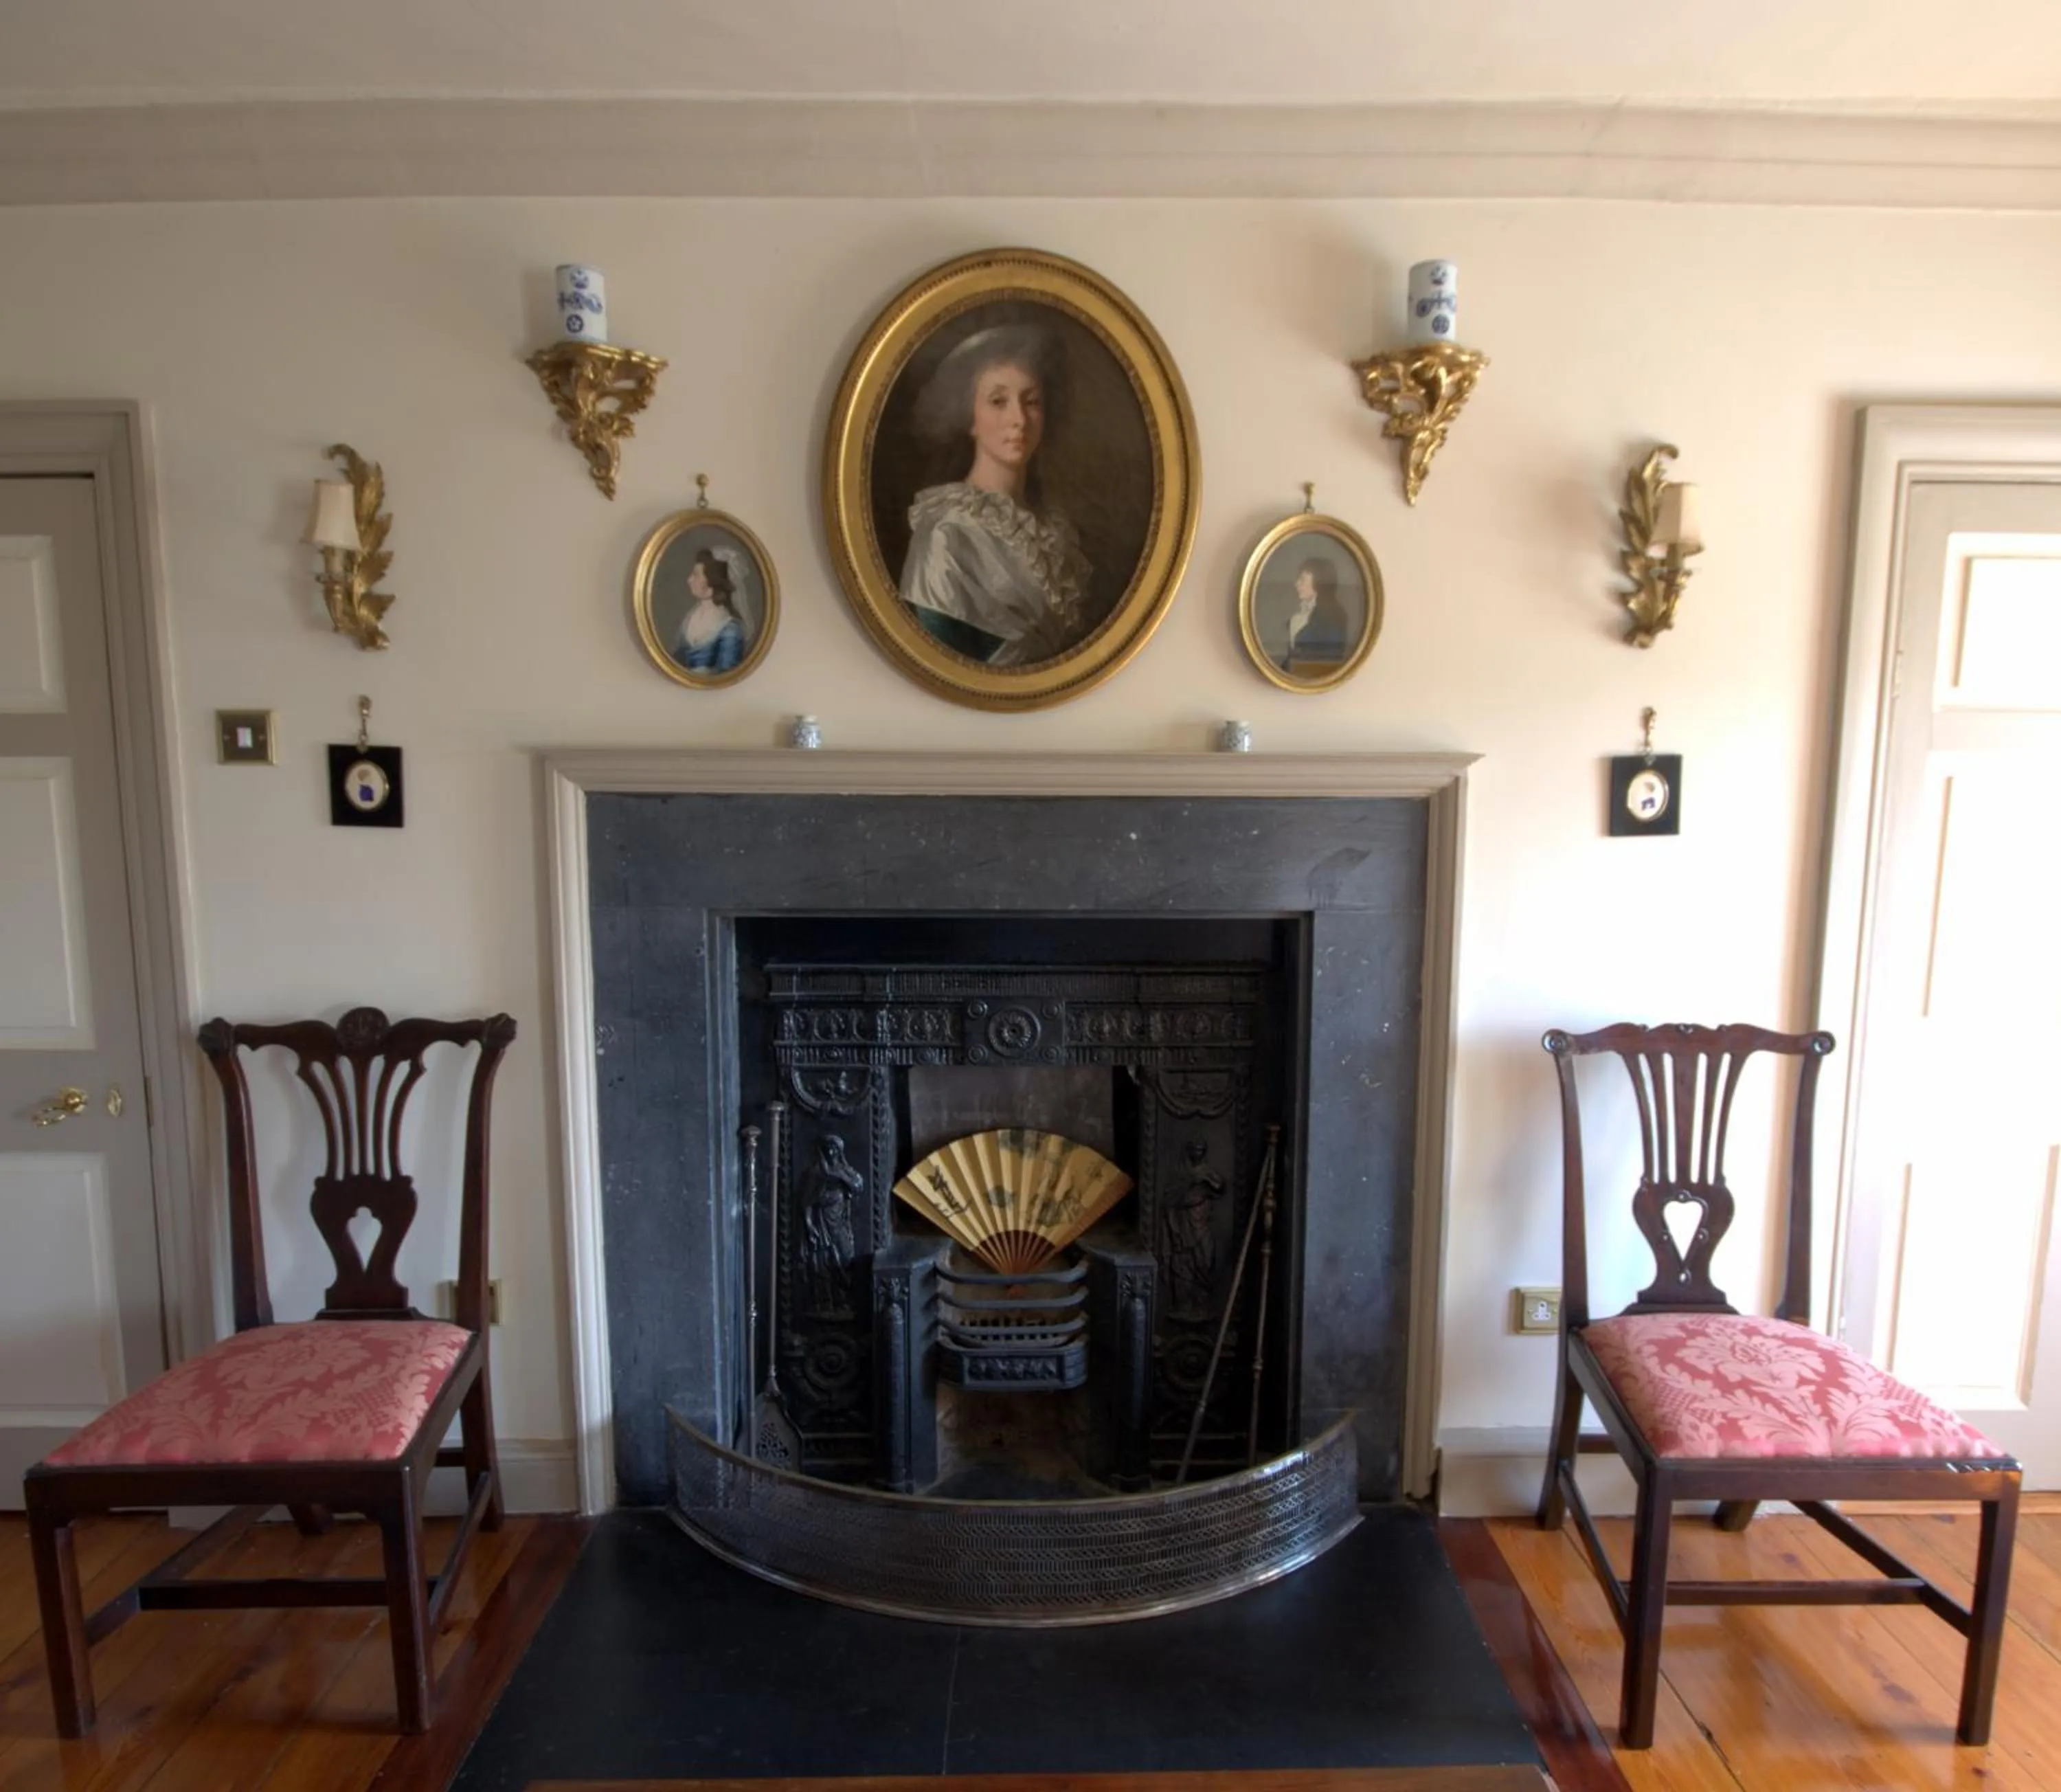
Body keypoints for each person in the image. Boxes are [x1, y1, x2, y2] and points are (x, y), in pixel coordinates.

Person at [899, 324, 1092, 666]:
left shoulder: (1056, 533)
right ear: (969, 417)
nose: (1018, 419)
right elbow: (935, 664)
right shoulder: (947, 533)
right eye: (998, 401)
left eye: (1031, 402)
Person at [672, 547, 747, 673]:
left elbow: (726, 675)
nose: (689, 580)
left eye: (696, 575)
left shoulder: (730, 629)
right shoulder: (691, 617)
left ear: (712, 581)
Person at [1278, 557, 1350, 672]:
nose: (1297, 584)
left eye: (1302, 579)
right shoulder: (1301, 614)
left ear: (1318, 581)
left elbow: (1328, 658)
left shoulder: (1333, 615)